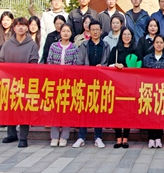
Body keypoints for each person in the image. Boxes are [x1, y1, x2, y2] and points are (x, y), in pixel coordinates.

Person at [0, 17, 39, 147]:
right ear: (14, 28)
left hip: (25, 83)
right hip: (9, 82)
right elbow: (0, 61)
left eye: (23, 25)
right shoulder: (7, 44)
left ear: (27, 28)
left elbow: (34, 62)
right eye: (18, 25)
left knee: (24, 109)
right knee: (11, 108)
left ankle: (23, 137)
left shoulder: (31, 44)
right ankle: (11, 134)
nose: (21, 28)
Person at [73, 20, 110, 149]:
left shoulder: (106, 45)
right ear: (89, 31)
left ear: (101, 31)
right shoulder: (84, 45)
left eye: (97, 29)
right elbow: (79, 62)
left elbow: (107, 62)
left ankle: (98, 137)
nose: (95, 32)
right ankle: (81, 137)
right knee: (84, 109)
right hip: (86, 81)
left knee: (98, 109)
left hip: (100, 82)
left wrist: (102, 67)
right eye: (92, 29)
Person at [108, 27, 142, 148]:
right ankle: (118, 138)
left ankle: (125, 138)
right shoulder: (115, 50)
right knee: (117, 112)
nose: (126, 36)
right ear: (121, 36)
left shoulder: (136, 50)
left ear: (132, 36)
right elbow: (108, 66)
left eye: (129, 34)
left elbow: (140, 67)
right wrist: (115, 65)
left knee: (128, 112)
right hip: (117, 85)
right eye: (124, 34)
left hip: (130, 86)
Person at [46, 23, 77, 147]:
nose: (65, 33)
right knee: (54, 109)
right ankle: (54, 136)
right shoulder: (53, 46)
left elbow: (75, 64)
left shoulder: (74, 47)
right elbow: (49, 61)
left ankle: (64, 136)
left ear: (71, 33)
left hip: (68, 83)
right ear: (60, 32)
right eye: (64, 31)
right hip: (55, 82)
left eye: (68, 31)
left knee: (66, 110)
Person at [143, 35, 164, 148]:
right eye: (157, 42)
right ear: (153, 44)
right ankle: (151, 138)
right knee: (150, 114)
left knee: (160, 114)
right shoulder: (146, 59)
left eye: (161, 42)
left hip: (163, 91)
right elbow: (142, 76)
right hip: (150, 91)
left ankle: (159, 138)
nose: (159, 44)